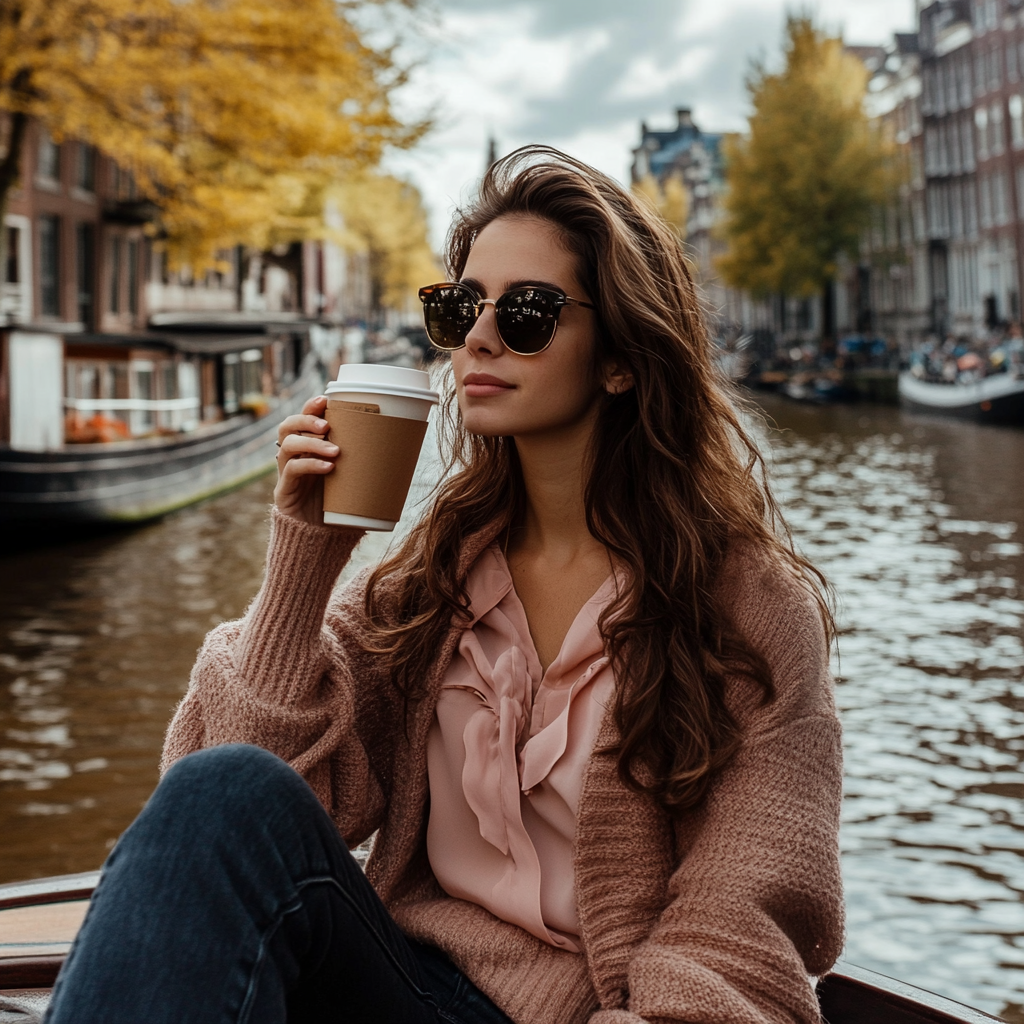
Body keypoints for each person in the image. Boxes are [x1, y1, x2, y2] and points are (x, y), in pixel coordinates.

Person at [45, 147, 844, 1024]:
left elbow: (738, 929)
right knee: (221, 792)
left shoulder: (750, 611)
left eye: (530, 313)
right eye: (460, 306)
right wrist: (302, 565)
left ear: (620, 359)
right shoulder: (437, 579)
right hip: (396, 987)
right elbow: (239, 803)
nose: (480, 337)